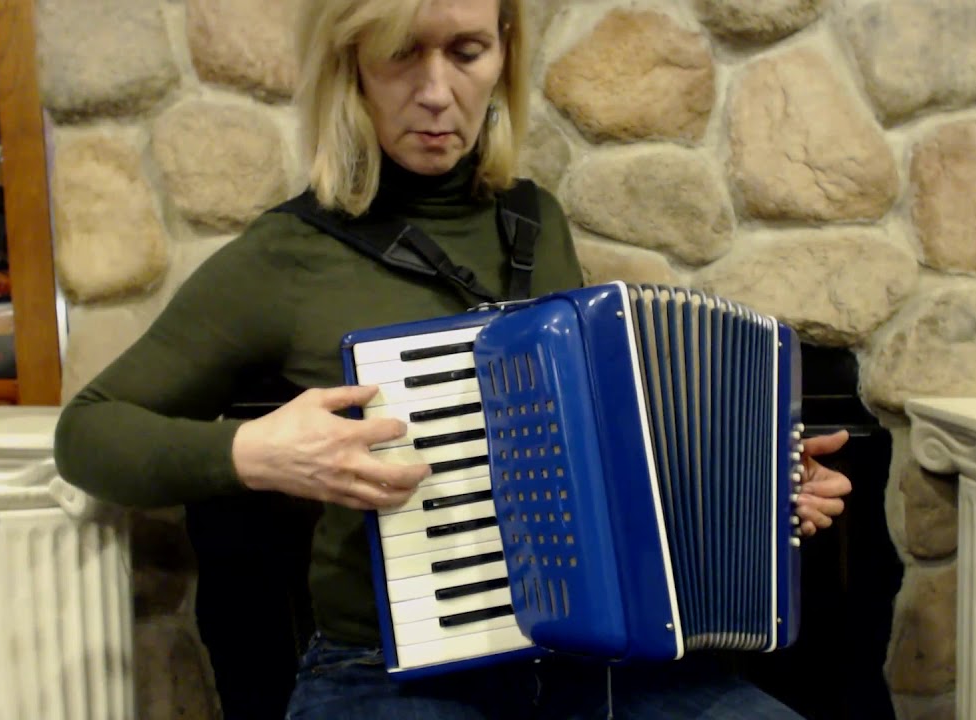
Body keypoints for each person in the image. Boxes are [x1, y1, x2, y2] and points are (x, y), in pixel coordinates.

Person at [53, 0, 854, 718]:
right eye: (404, 53)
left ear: (502, 55)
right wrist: (257, 453)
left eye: (467, 52)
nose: (437, 92)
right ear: (351, 64)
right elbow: (88, 435)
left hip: (588, 655)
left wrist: (757, 491)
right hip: (389, 675)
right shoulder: (286, 255)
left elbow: (591, 456)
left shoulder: (536, 221)